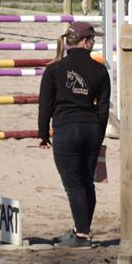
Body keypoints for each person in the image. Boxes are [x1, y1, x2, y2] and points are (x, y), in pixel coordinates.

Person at [37, 21, 109, 248]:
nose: (94, 43)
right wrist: (99, 134)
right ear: (86, 42)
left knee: (73, 184)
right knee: (87, 182)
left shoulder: (54, 69)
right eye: (93, 40)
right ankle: (82, 230)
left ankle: (82, 237)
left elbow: (45, 105)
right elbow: (104, 108)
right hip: (91, 129)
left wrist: (43, 133)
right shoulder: (99, 70)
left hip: (66, 129)